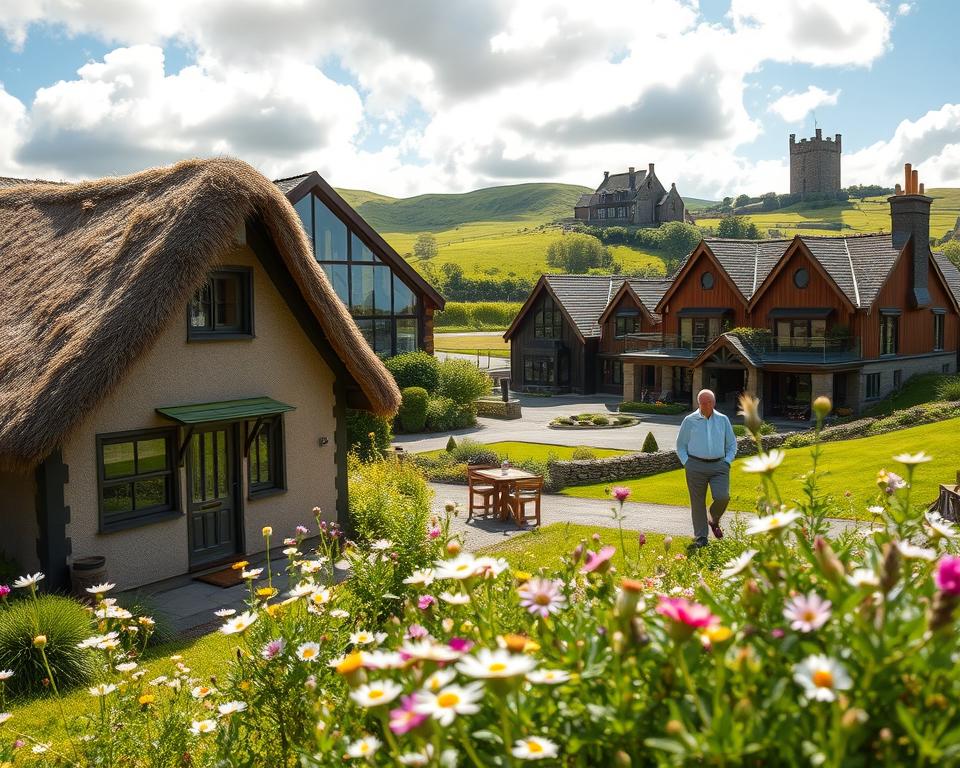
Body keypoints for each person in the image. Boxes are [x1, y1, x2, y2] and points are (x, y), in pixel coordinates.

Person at [675, 388, 737, 549]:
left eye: (709, 402)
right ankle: (701, 537)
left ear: (714, 402)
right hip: (695, 465)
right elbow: (680, 445)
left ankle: (714, 520)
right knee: (697, 503)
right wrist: (686, 462)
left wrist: (728, 461)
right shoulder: (690, 420)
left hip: (719, 466)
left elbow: (731, 444)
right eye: (703, 402)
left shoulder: (723, 420)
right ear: (698, 403)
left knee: (723, 497)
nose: (706, 405)